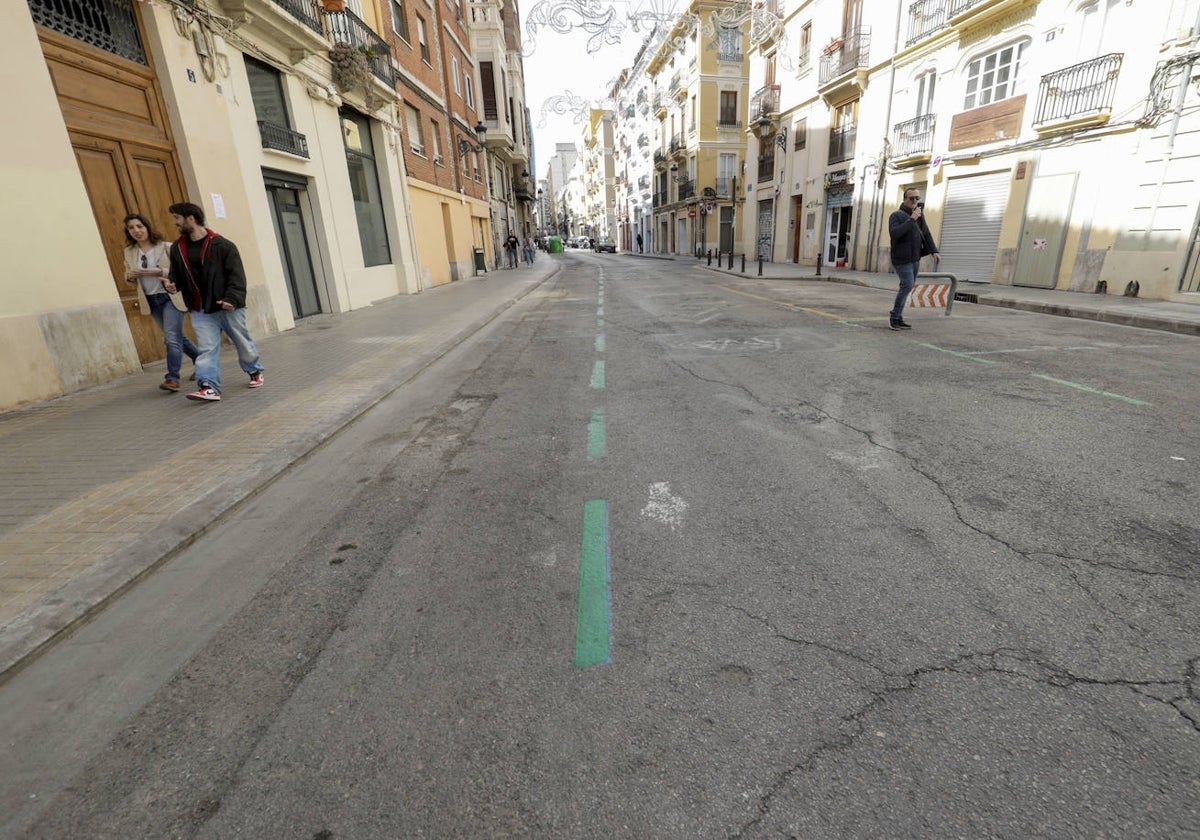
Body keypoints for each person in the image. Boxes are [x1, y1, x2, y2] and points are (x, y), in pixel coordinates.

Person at [163, 202, 265, 402]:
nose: (175, 222)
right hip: (200, 309)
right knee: (207, 348)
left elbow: (237, 277)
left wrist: (232, 300)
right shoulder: (177, 248)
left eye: (177, 218)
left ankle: (254, 370)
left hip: (227, 306)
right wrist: (173, 284)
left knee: (242, 342)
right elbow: (177, 274)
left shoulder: (223, 245)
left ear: (190, 218)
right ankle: (209, 386)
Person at [122, 213, 199, 391]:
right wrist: (130, 276)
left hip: (170, 297)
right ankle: (200, 359)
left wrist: (159, 272)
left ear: (147, 227)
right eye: (131, 228)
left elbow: (180, 272)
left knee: (171, 338)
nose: (136, 231)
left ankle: (172, 378)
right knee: (176, 336)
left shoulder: (166, 247)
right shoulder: (129, 252)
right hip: (151, 300)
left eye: (139, 226)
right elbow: (129, 279)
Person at [888, 187, 940, 330]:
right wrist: (911, 219)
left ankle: (898, 317)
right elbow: (895, 233)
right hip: (901, 258)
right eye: (912, 198)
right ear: (905, 199)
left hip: (915, 257)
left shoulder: (919, 215)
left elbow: (926, 233)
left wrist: (934, 251)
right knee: (907, 285)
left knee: (907, 287)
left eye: (917, 198)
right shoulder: (896, 216)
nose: (915, 201)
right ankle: (894, 316)